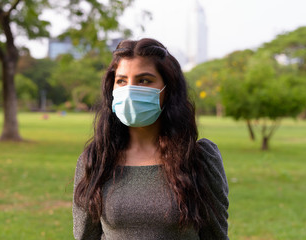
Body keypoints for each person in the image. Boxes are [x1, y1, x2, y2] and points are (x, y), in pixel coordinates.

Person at [73, 38, 229, 239]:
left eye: (144, 80)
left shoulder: (199, 159)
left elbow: (216, 236)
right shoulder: (97, 160)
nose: (130, 90)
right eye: (121, 81)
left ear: (168, 89)